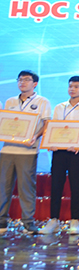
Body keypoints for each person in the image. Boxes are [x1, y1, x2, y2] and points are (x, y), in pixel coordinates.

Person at [39, 76, 79, 235]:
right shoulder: (59, 107)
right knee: (56, 185)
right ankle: (53, 220)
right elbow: (54, 128)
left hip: (76, 153)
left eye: (76, 87)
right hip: (59, 151)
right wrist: (51, 141)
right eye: (70, 86)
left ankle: (75, 220)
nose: (72, 89)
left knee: (76, 186)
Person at [0, 70, 51, 234]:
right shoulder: (9, 101)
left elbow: (46, 124)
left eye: (27, 80)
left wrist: (35, 136)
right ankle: (1, 221)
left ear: (35, 83)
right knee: (2, 186)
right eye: (20, 79)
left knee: (26, 187)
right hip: (7, 148)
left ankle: (28, 222)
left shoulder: (42, 101)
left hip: (28, 151)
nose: (22, 82)